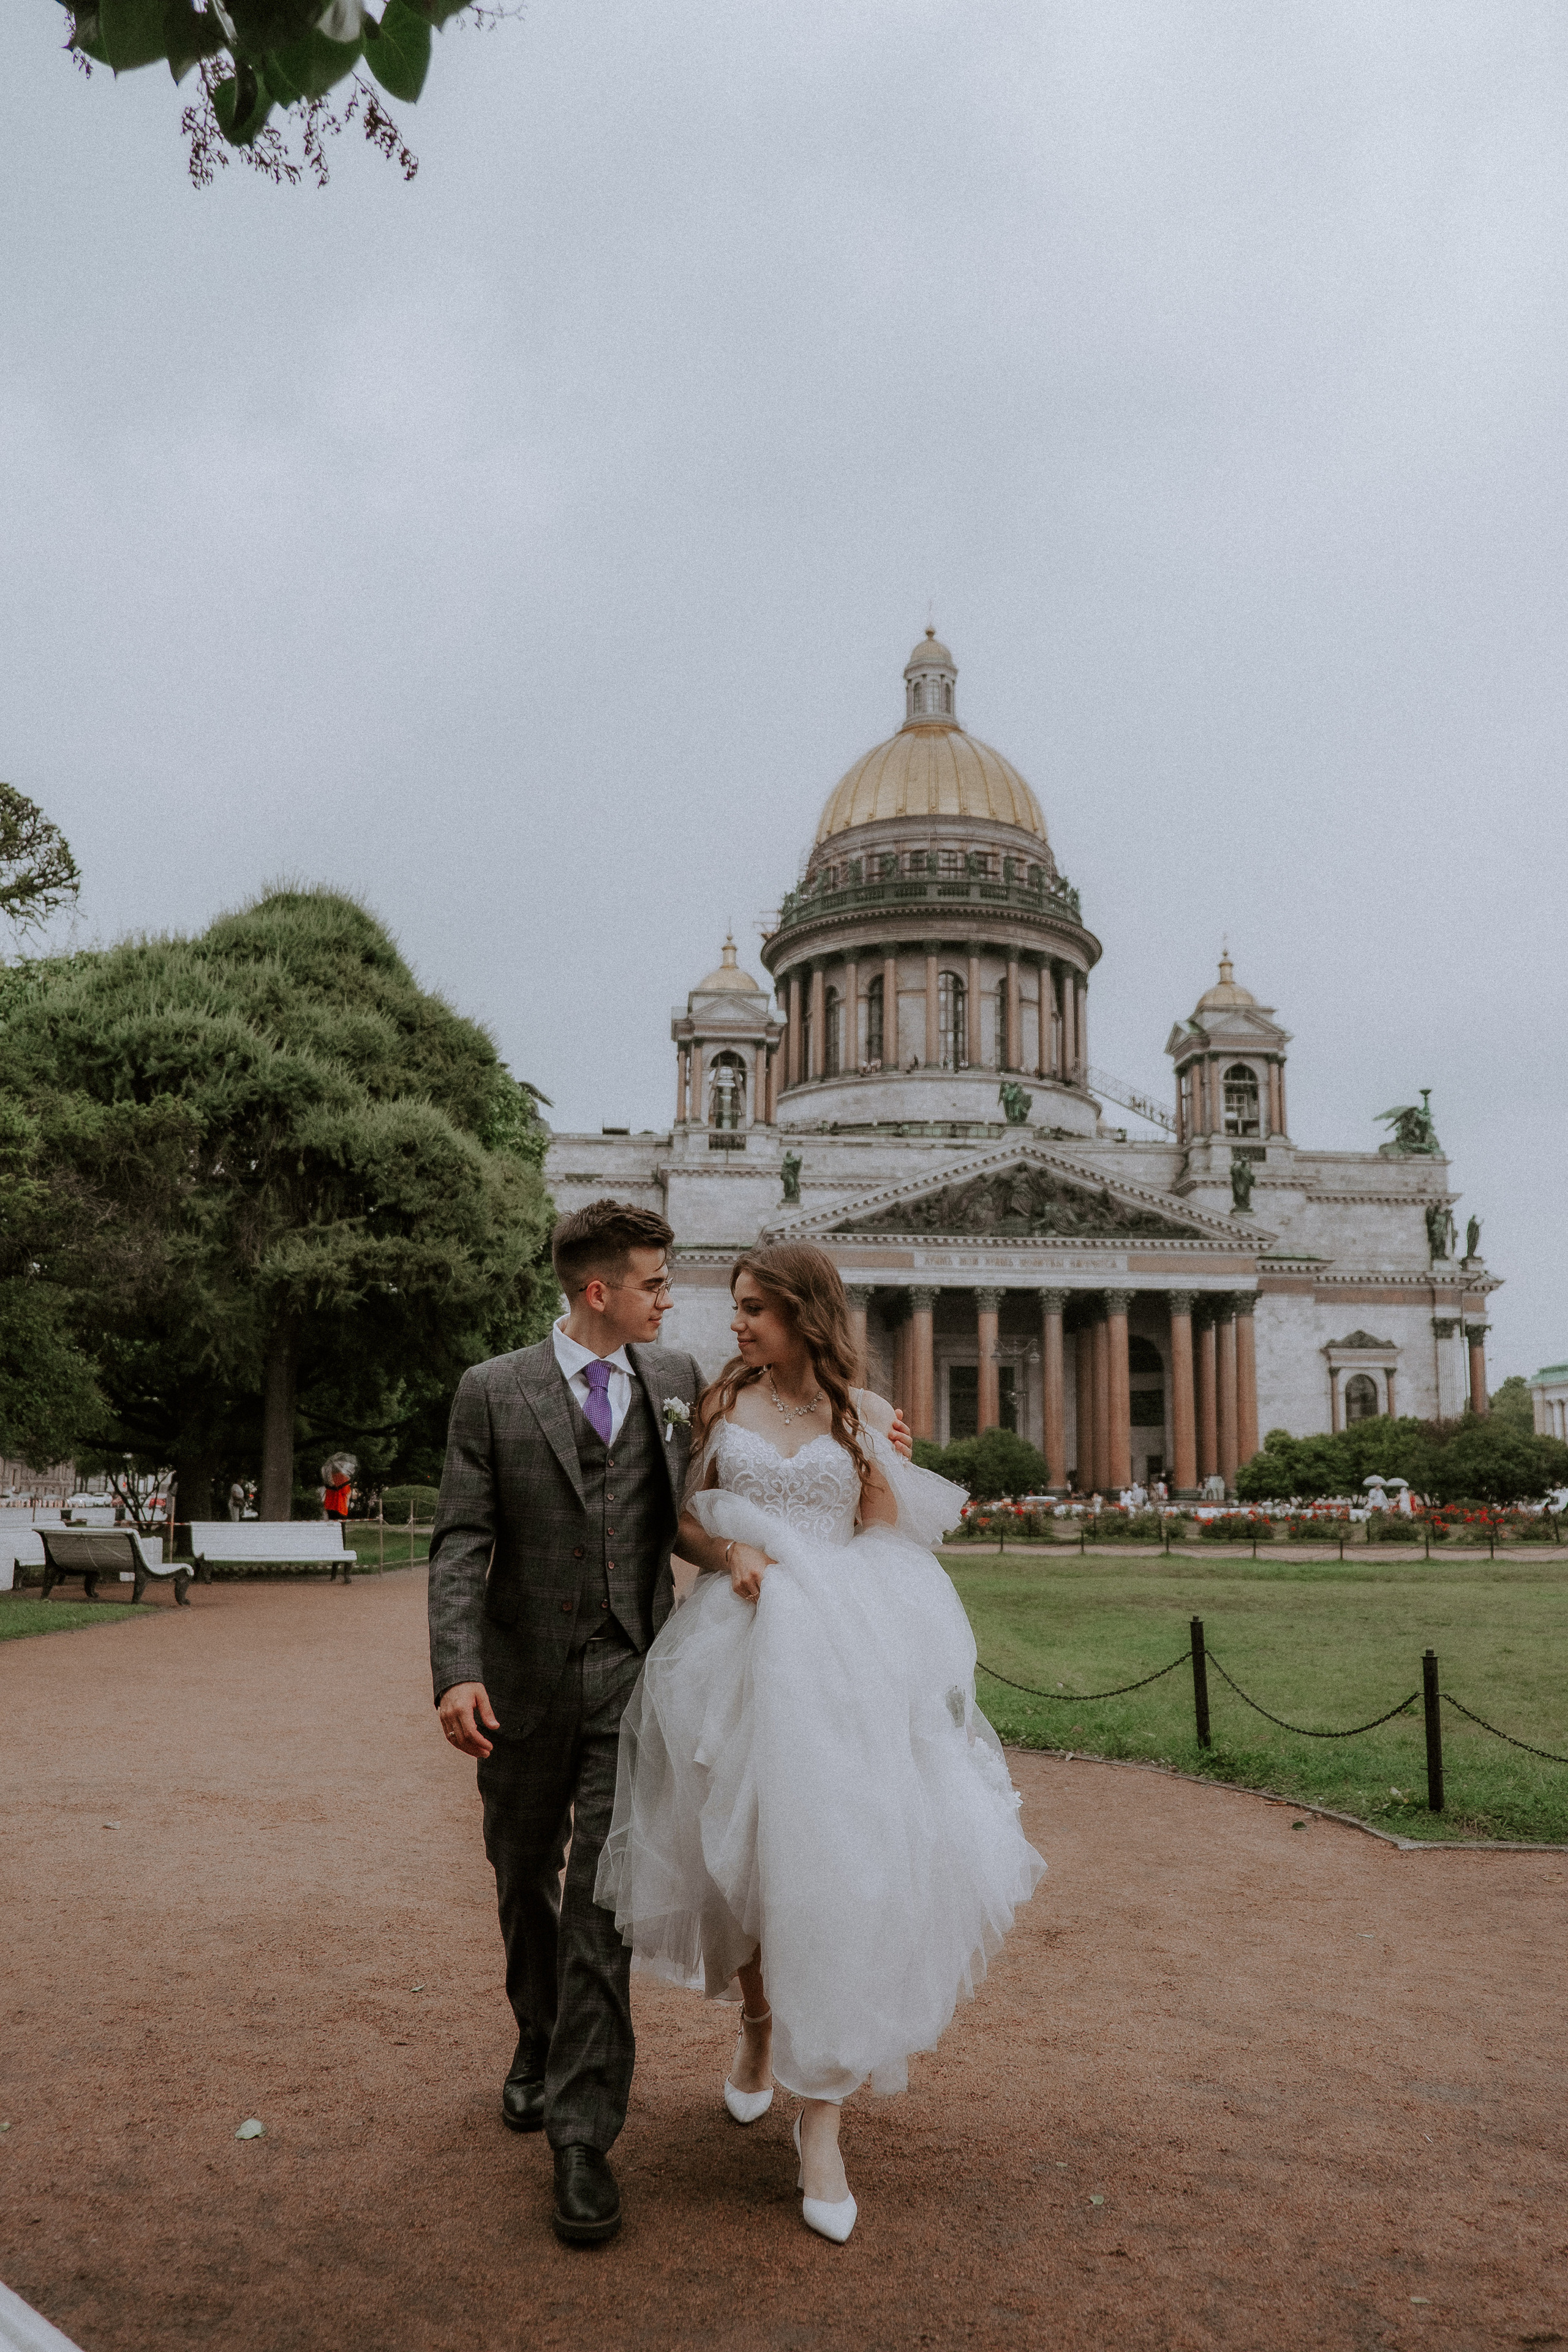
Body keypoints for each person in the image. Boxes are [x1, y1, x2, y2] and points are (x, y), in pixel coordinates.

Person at [428, 1204, 916, 2250]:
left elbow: (730, 1489)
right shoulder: (492, 1390)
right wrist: (457, 1673)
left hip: (635, 1672)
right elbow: (462, 1542)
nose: (674, 1300)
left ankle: (582, 2136)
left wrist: (876, 1436)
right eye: (656, 1283)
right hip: (519, 1677)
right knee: (523, 1872)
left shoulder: (678, 1380)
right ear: (599, 1291)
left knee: (605, 1898)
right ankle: (538, 2038)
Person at [597, 1243, 1044, 2245]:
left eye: (754, 1308)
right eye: (736, 1306)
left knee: (840, 1873)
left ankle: (824, 2117)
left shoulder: (863, 1415)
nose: (737, 1323)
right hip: (736, 1656)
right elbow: (674, 1523)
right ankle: (759, 2023)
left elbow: (885, 1534)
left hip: (841, 1662)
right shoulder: (716, 1407)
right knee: (744, 1863)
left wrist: (869, 1624)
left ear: (805, 1312)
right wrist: (734, 1549)